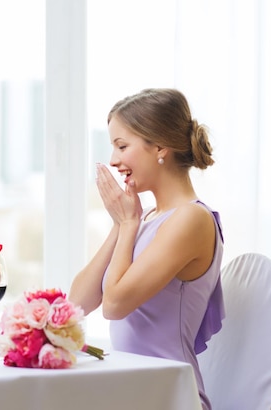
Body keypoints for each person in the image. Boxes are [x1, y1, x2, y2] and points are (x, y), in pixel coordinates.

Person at [68, 88, 224, 410]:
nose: (113, 160)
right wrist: (121, 225)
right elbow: (77, 305)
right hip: (135, 391)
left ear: (159, 147)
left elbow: (114, 305)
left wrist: (127, 226)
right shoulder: (146, 219)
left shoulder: (191, 219)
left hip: (170, 396)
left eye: (122, 146)